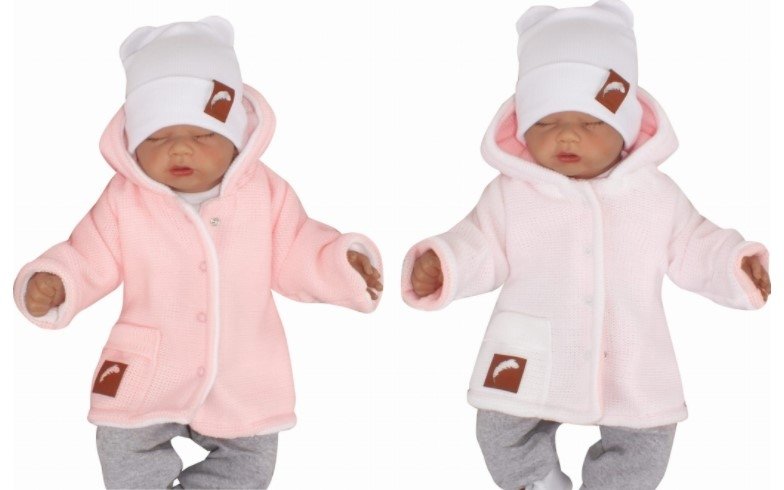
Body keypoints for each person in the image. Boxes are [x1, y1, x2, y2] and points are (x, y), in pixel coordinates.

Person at [401, 1, 770, 489]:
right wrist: (444, 263)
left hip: (632, 353)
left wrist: (732, 265)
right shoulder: (512, 194)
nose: (568, 135)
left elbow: (695, 244)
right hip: (531, 350)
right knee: (498, 428)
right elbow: (480, 244)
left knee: (647, 440)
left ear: (625, 127)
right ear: (522, 127)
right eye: (546, 122)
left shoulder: (654, 194)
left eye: (592, 123)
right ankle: (537, 482)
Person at [14, 16, 383, 489]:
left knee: (252, 458)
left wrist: (340, 266)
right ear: (132, 144)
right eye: (157, 137)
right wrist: (56, 280)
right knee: (119, 442)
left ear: (236, 137)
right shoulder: (126, 199)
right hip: (150, 365)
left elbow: (298, 247)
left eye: (203, 135)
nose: (181, 149)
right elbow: (89, 253)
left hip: (243, 369)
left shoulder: (264, 193)